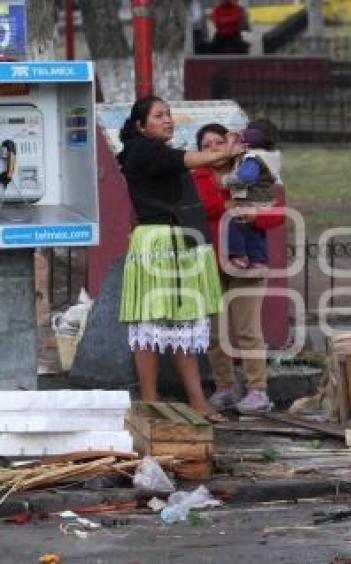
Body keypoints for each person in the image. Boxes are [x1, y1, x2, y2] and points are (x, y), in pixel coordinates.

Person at [117, 96, 245, 422]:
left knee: (181, 322)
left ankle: (197, 401)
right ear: (140, 125)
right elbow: (185, 159)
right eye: (159, 115)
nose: (168, 120)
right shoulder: (141, 150)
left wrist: (226, 154)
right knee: (151, 321)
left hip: (178, 240)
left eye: (169, 114)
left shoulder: (158, 151)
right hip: (160, 241)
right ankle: (150, 398)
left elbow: (203, 166)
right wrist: (220, 152)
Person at [192, 123, 284, 414]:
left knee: (248, 329)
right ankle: (224, 386)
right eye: (205, 146)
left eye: (218, 142)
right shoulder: (196, 176)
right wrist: (228, 204)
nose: (213, 149)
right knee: (215, 332)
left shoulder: (251, 170)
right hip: (209, 261)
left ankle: (258, 389)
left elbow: (276, 215)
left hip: (248, 265)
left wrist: (253, 215)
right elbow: (200, 208)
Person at [219, 119, 281, 271]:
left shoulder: (253, 157)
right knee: (256, 232)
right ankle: (259, 260)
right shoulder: (271, 156)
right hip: (264, 200)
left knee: (235, 223)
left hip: (251, 200)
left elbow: (246, 177)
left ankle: (238, 255)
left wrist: (228, 180)